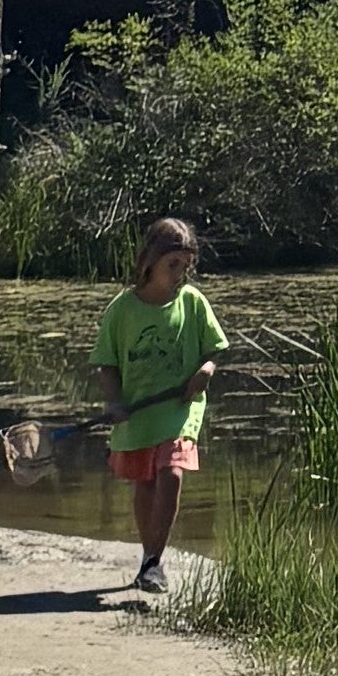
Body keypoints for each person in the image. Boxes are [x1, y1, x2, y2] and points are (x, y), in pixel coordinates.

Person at [93, 219, 226, 589]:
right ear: (150, 260)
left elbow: (213, 351)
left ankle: (153, 561)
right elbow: (106, 362)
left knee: (172, 472)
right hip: (139, 411)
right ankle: (148, 561)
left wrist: (206, 371)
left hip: (180, 408)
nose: (180, 274)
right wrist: (115, 402)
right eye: (173, 265)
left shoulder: (192, 302)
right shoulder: (122, 309)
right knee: (146, 483)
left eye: (185, 266)